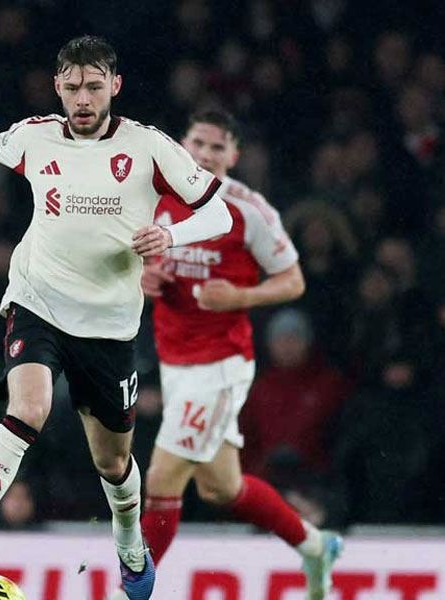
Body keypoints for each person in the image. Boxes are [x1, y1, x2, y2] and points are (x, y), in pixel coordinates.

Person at [0, 36, 233, 600]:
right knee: (27, 409)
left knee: (113, 462)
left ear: (114, 86)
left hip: (109, 326)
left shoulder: (149, 147)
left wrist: (171, 233)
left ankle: (129, 542)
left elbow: (217, 212)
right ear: (58, 86)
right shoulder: (35, 136)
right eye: (72, 86)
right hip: (38, 302)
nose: (82, 98)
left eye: (94, 86)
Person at [122, 110, 342, 600]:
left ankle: (131, 592)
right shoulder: (156, 195)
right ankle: (314, 545)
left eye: (217, 148)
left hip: (220, 364)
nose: (204, 154)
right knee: (223, 487)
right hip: (175, 361)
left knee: (163, 478)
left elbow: (294, 280)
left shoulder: (249, 209)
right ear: (182, 143)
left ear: (234, 156)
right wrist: (143, 276)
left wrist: (241, 297)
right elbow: (132, 259)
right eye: (198, 142)